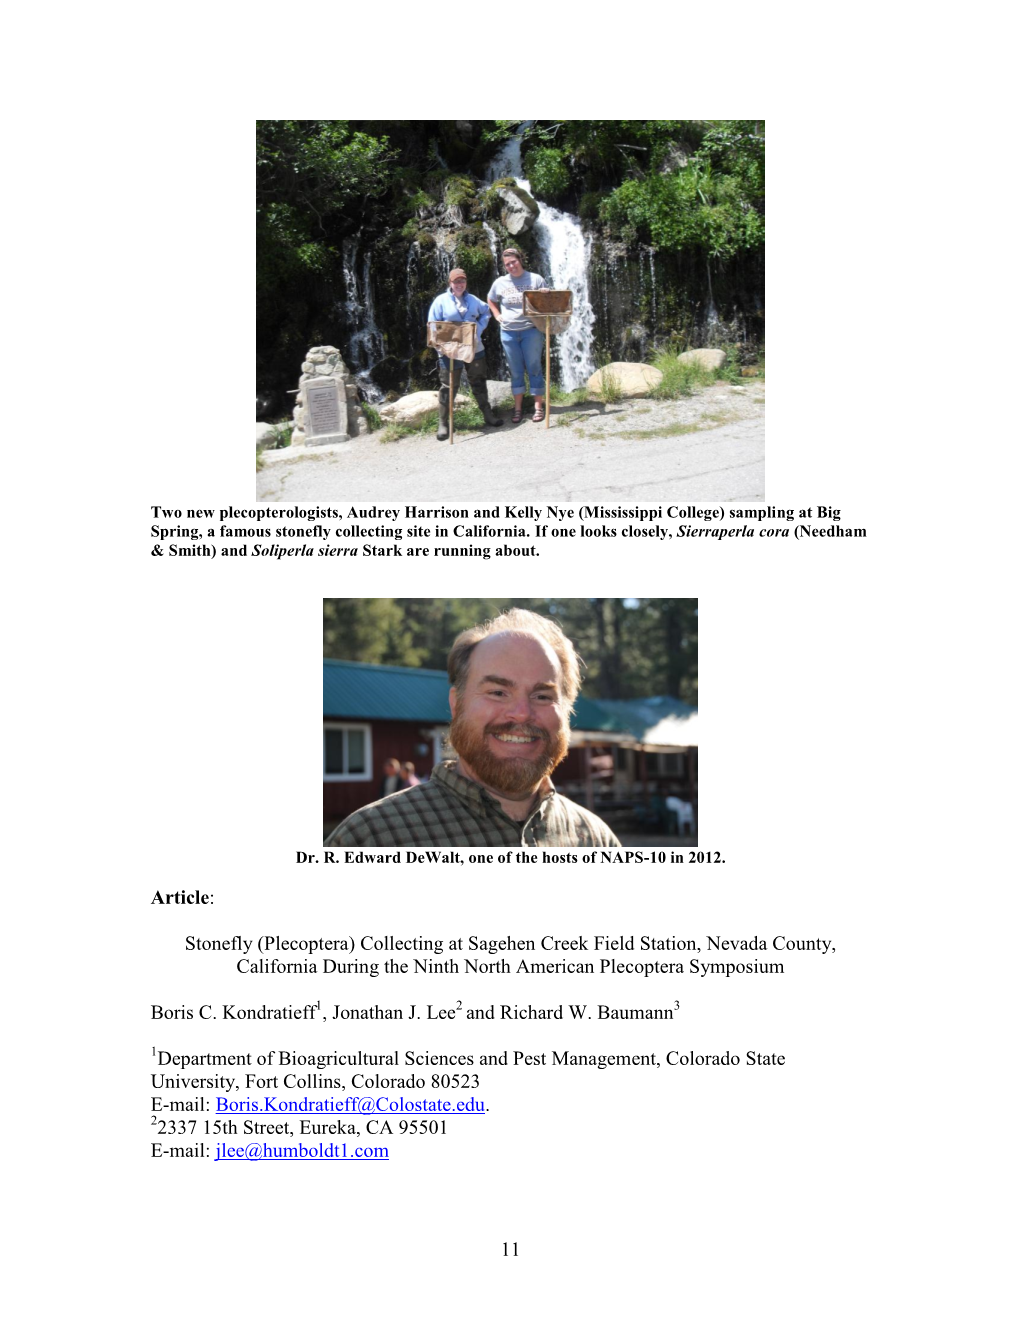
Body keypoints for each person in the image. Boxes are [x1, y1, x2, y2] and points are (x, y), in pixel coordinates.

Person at [325, 609, 621, 848]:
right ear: (457, 705)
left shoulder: (596, 841)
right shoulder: (369, 839)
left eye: (542, 696)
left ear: (567, 713)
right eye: (497, 692)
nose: (521, 713)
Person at [427, 268, 503, 440]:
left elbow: (486, 312)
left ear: (465, 283)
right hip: (449, 351)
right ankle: (443, 423)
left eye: (462, 281)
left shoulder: (473, 300)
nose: (459, 284)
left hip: (474, 348)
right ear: (450, 283)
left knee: (478, 381)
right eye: (456, 281)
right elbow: (432, 325)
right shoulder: (440, 301)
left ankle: (488, 414)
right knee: (448, 386)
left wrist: (478, 330)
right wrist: (440, 346)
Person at [487, 248, 548, 424]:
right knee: (515, 371)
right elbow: (491, 299)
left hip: (531, 330)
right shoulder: (500, 282)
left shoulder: (535, 279)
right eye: (507, 264)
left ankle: (538, 407)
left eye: (513, 262)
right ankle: (518, 408)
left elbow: (547, 303)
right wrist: (497, 315)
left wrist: (545, 294)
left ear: (520, 260)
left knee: (534, 366)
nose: (511, 266)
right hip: (508, 332)